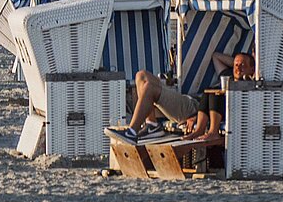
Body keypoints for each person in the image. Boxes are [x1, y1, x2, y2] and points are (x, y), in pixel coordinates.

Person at [108, 51, 255, 144]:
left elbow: (222, 106)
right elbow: (216, 56)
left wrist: (251, 67)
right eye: (236, 64)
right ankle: (151, 125)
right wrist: (239, 61)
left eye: (242, 65)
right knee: (141, 75)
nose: (238, 68)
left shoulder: (248, 86)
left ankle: (132, 132)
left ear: (251, 69)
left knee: (150, 88)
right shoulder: (226, 75)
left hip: (193, 109)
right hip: (192, 100)